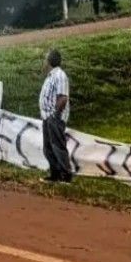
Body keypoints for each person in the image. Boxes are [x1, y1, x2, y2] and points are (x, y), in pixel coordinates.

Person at [39, 49, 72, 183]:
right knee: (48, 148)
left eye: (46, 59)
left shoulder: (60, 75)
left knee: (58, 146)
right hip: (47, 117)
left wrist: (55, 115)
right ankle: (55, 174)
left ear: (50, 61)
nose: (44, 62)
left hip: (54, 118)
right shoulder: (51, 76)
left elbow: (63, 97)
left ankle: (66, 175)